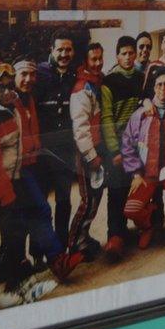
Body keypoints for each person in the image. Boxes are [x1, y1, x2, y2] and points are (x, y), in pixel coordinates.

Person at [0, 60, 61, 313]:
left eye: (9, 86)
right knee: (13, 236)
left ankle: (15, 280)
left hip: (10, 179)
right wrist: (7, 196)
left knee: (18, 233)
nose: (6, 91)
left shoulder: (9, 106)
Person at [120, 70, 165, 249]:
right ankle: (148, 226)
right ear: (153, 88)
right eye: (159, 84)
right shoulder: (141, 114)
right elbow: (126, 143)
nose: (163, 88)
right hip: (148, 174)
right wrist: (135, 173)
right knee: (131, 209)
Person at [100, 36, 144, 259]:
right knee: (116, 191)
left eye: (131, 53)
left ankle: (141, 229)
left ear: (135, 55)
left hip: (137, 144)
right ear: (117, 56)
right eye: (123, 53)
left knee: (136, 188)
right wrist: (114, 151)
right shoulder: (108, 82)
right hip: (117, 145)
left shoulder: (141, 78)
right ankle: (115, 236)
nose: (128, 57)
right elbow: (106, 118)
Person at [34, 30, 77, 248]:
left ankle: (61, 244)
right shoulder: (39, 73)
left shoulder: (76, 75)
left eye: (68, 49)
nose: (63, 54)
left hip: (65, 149)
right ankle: (39, 250)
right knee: (40, 201)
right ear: (52, 50)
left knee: (63, 199)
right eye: (59, 49)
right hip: (41, 150)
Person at [68, 43, 106, 261]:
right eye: (94, 59)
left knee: (96, 197)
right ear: (85, 62)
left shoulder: (96, 82)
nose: (98, 63)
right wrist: (91, 156)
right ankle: (73, 245)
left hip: (97, 148)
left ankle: (84, 238)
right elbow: (80, 129)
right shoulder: (82, 89)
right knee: (87, 201)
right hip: (86, 153)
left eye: (100, 58)